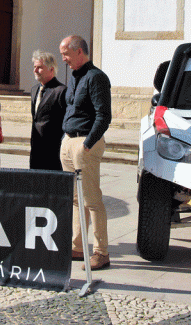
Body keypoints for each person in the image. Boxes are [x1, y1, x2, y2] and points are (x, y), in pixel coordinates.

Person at [59, 35, 112, 270]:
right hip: (69, 141)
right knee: (75, 200)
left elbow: (104, 115)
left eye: (66, 54)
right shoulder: (74, 77)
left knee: (91, 200)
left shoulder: (96, 78)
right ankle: (78, 247)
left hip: (85, 143)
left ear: (79, 51)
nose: (64, 59)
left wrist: (87, 144)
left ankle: (101, 252)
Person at [29, 50, 67, 171]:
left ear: (51, 69)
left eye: (39, 67)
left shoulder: (61, 91)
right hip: (36, 149)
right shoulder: (34, 90)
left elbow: (65, 121)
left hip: (53, 151)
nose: (35, 70)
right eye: (34, 67)